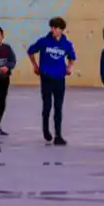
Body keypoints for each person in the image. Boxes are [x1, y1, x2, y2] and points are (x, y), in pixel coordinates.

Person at [28, 16, 76, 145]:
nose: (53, 30)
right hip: (46, 77)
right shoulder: (44, 42)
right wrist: (35, 65)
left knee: (58, 107)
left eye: (56, 28)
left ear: (61, 30)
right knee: (47, 106)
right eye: (52, 27)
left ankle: (58, 135)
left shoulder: (66, 44)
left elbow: (72, 57)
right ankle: (45, 129)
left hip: (59, 78)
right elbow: (31, 51)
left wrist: (69, 67)